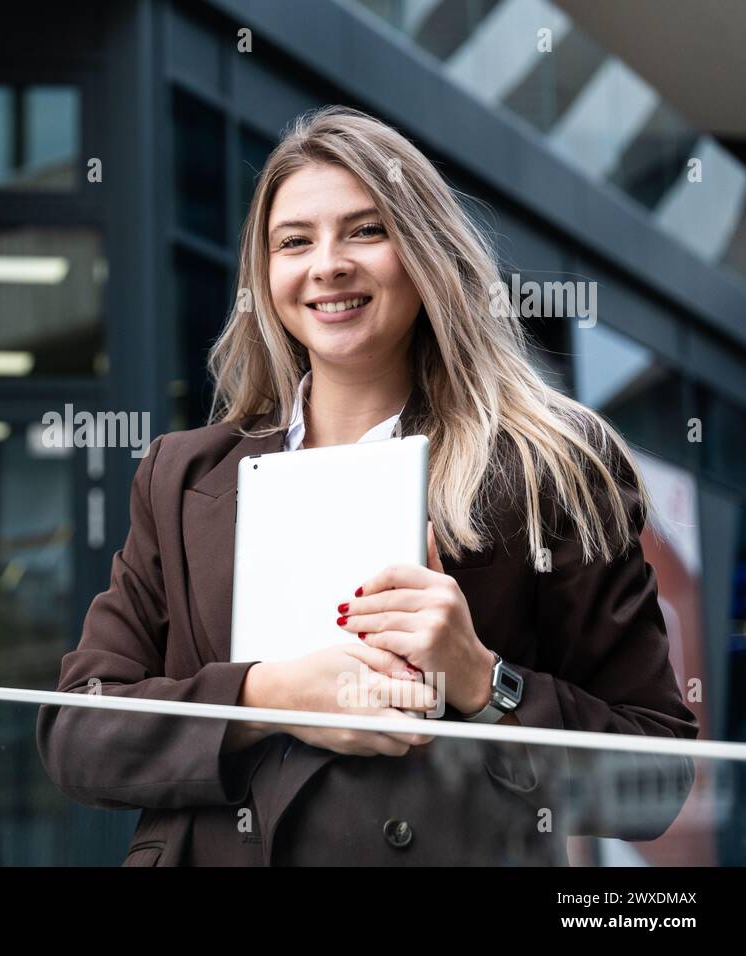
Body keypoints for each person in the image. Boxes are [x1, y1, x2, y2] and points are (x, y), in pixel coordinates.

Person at [35, 105, 698, 866]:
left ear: (424, 252)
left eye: (365, 230)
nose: (327, 265)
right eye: (294, 242)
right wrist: (268, 697)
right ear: (265, 276)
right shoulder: (181, 475)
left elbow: (657, 778)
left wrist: (483, 682)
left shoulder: (552, 466)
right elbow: (77, 732)